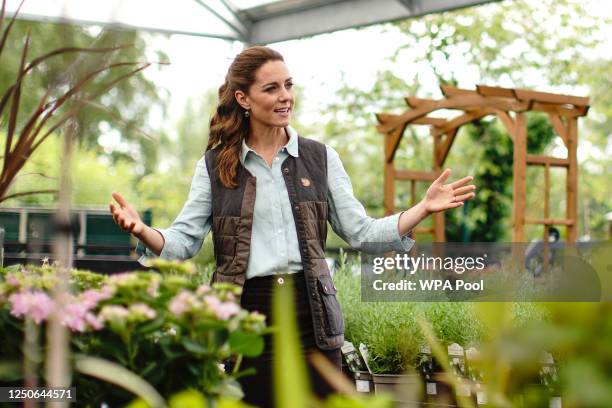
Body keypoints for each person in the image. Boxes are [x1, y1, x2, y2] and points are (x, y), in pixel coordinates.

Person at [109, 45, 476, 407]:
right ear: (244, 98)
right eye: (271, 89)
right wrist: (141, 230)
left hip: (311, 314)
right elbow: (182, 242)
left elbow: (362, 232)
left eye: (289, 85)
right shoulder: (216, 167)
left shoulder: (320, 158)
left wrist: (424, 208)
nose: (285, 97)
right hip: (245, 316)